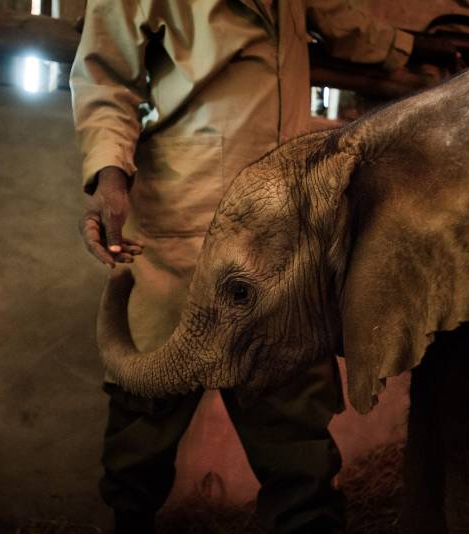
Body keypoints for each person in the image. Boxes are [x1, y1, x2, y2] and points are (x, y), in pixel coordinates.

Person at [70, 2, 414, 532]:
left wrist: (414, 50)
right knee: (145, 419)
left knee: (297, 431)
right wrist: (109, 179)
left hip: (281, 237)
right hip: (184, 219)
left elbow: (342, 20)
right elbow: (105, 74)